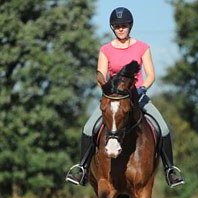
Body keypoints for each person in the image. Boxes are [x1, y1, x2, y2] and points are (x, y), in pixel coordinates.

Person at [66, 7, 185, 188]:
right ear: (112, 28)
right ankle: (81, 168)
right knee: (89, 128)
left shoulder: (142, 47)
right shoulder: (105, 50)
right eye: (117, 26)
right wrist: (110, 92)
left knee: (163, 127)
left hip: (138, 97)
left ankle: (170, 169)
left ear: (130, 26)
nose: (121, 29)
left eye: (124, 25)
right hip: (114, 99)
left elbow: (151, 74)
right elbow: (101, 76)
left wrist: (142, 88)